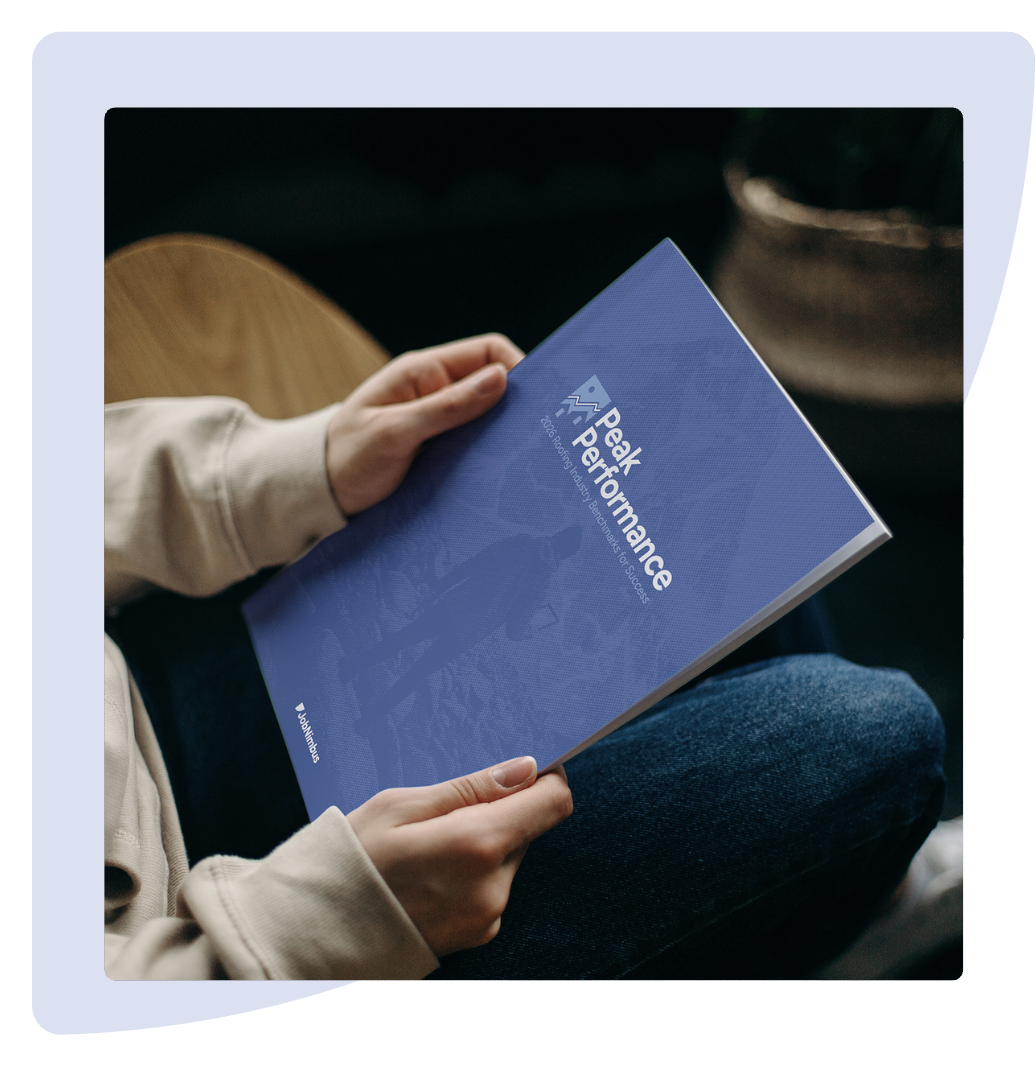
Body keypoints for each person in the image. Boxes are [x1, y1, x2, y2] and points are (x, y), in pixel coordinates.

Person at [104, 333, 947, 980]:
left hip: (145, 652)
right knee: (875, 737)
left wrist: (291, 466)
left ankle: (841, 884)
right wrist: (319, 929)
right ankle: (832, 906)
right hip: (211, 931)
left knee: (767, 513)